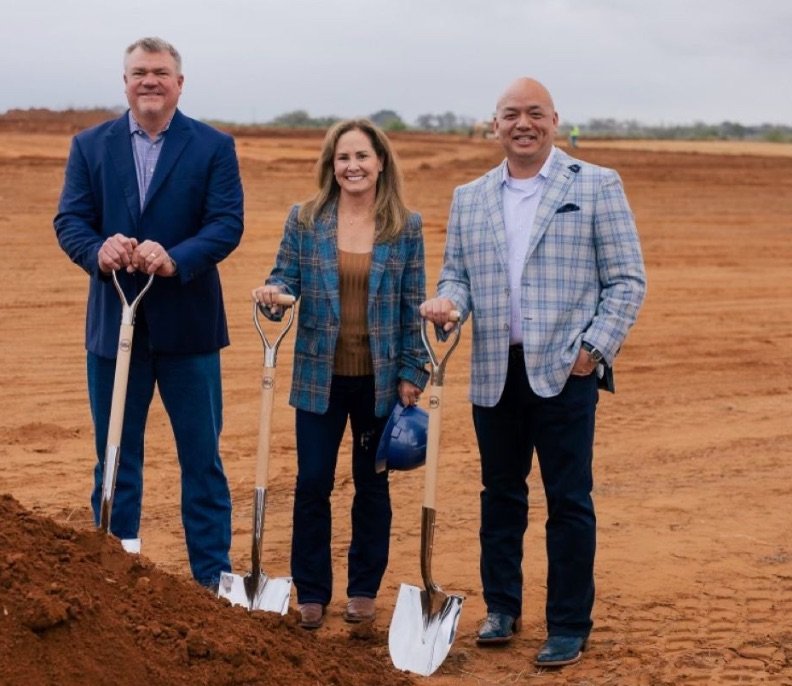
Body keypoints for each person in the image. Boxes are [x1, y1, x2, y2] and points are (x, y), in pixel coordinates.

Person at [420, 78, 646, 667]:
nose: (523, 123)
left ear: (554, 120)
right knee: (500, 496)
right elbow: (457, 278)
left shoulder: (595, 184)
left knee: (568, 500)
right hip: (496, 368)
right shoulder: (470, 196)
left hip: (565, 371)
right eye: (511, 114)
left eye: (535, 114)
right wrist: (448, 304)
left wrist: (592, 351)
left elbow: (627, 280)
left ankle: (569, 623)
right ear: (494, 124)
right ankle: (502, 608)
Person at [54, 37, 243, 590]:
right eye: (139, 72)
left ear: (179, 83)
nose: (150, 81)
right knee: (115, 456)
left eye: (160, 72)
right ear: (125, 82)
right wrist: (97, 251)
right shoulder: (90, 146)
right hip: (115, 329)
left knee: (202, 460)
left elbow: (226, 223)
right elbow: (71, 220)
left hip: (190, 330)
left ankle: (211, 580)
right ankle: (114, 575)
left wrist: (175, 257)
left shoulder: (212, 147)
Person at [253, 119, 428, 630]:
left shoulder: (405, 226)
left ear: (380, 164)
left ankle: (363, 591)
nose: (352, 166)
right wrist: (273, 296)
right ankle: (312, 591)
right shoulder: (305, 219)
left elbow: (413, 302)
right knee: (312, 484)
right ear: (332, 166)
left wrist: (413, 370)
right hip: (318, 378)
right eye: (343, 158)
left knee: (372, 487)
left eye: (361, 157)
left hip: (379, 382)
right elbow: (283, 277)